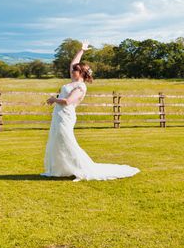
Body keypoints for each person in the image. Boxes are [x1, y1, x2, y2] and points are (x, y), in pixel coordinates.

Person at [42, 41, 140, 181]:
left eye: (75, 70)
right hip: (58, 115)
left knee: (67, 141)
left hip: (66, 115)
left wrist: (54, 99)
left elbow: (68, 101)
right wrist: (81, 50)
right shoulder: (73, 81)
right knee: (57, 140)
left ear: (80, 73)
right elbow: (73, 63)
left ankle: (80, 168)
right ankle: (62, 169)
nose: (72, 70)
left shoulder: (81, 86)